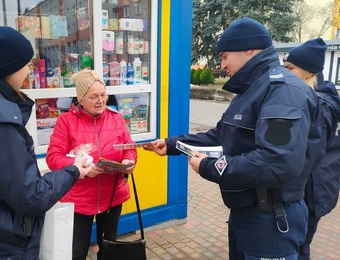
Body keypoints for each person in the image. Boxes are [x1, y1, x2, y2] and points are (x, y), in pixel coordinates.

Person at [144, 17, 325, 259]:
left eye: (224, 56)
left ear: (248, 49)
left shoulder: (283, 91)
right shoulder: (253, 88)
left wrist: (210, 167)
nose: (222, 64)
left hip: (271, 219)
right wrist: (172, 144)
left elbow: (275, 161)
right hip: (248, 213)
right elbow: (221, 135)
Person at [0, 26, 93, 259]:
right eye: (26, 64)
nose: (29, 70)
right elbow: (31, 197)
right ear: (9, 68)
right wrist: (74, 170)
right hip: (10, 244)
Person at [46, 69, 137, 260]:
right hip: (79, 199)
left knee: (108, 249)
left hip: (112, 195)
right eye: (94, 96)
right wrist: (82, 168)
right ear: (81, 99)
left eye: (103, 95)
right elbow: (53, 158)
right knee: (77, 252)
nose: (101, 100)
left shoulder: (116, 118)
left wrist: (129, 160)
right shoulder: (66, 121)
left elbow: (130, 148)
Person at [283, 38, 340, 260]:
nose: (285, 73)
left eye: (290, 68)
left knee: (297, 248)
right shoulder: (324, 101)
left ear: (308, 72)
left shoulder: (320, 106)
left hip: (312, 193)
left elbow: (302, 153)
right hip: (320, 188)